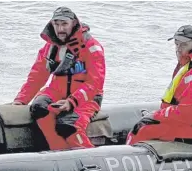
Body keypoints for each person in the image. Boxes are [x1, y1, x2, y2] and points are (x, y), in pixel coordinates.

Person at [12, 6, 106, 150]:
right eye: (56, 24)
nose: (60, 29)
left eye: (64, 24)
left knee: (68, 125)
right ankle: (58, 150)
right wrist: (20, 100)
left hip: (87, 97)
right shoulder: (50, 48)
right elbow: (36, 76)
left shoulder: (91, 47)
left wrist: (72, 101)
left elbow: (95, 83)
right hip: (57, 92)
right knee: (39, 108)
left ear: (74, 24)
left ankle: (90, 158)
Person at [126, 25, 192, 145]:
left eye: (184, 44)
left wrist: (159, 115)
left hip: (186, 122)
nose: (178, 49)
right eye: (177, 44)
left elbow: (187, 111)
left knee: (141, 129)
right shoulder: (185, 66)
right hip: (182, 118)